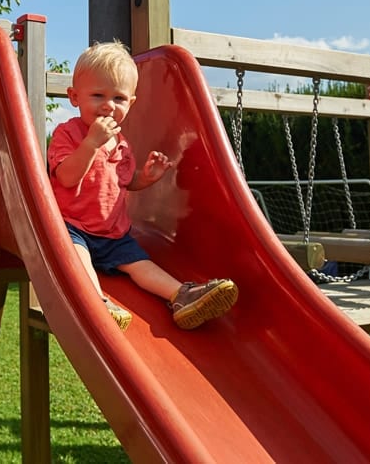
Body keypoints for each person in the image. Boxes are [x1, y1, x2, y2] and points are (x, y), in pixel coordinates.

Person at [48, 40, 238, 330]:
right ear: (74, 97)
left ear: (131, 103)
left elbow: (123, 182)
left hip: (113, 233)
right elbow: (66, 177)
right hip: (73, 227)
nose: (109, 105)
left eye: (119, 98)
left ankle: (181, 296)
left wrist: (147, 177)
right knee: (76, 256)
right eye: (98, 95)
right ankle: (95, 304)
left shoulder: (121, 143)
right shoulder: (68, 133)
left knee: (141, 265)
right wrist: (91, 144)